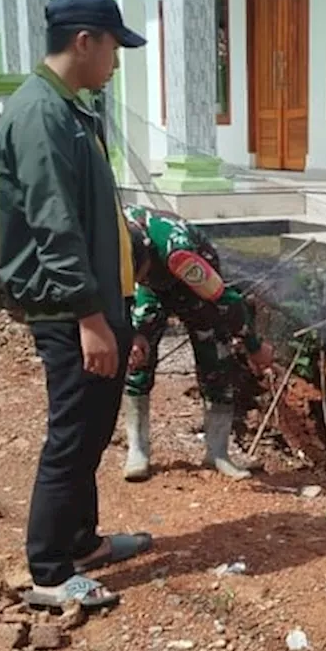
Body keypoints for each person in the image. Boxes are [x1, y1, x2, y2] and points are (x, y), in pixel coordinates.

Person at [0, 0, 153, 611]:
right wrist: (90, 318)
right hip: (71, 307)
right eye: (113, 47)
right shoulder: (40, 115)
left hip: (96, 299)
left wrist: (117, 309)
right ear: (85, 41)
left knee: (92, 430)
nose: (115, 60)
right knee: (72, 432)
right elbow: (53, 225)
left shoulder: (70, 109)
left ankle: (81, 541)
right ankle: (50, 570)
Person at [120, 204, 274, 483]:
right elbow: (116, 296)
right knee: (137, 360)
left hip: (190, 287)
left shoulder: (180, 255)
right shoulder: (110, 238)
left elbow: (227, 302)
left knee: (215, 358)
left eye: (142, 274)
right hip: (150, 290)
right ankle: (138, 450)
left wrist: (253, 346)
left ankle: (217, 453)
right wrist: (130, 335)